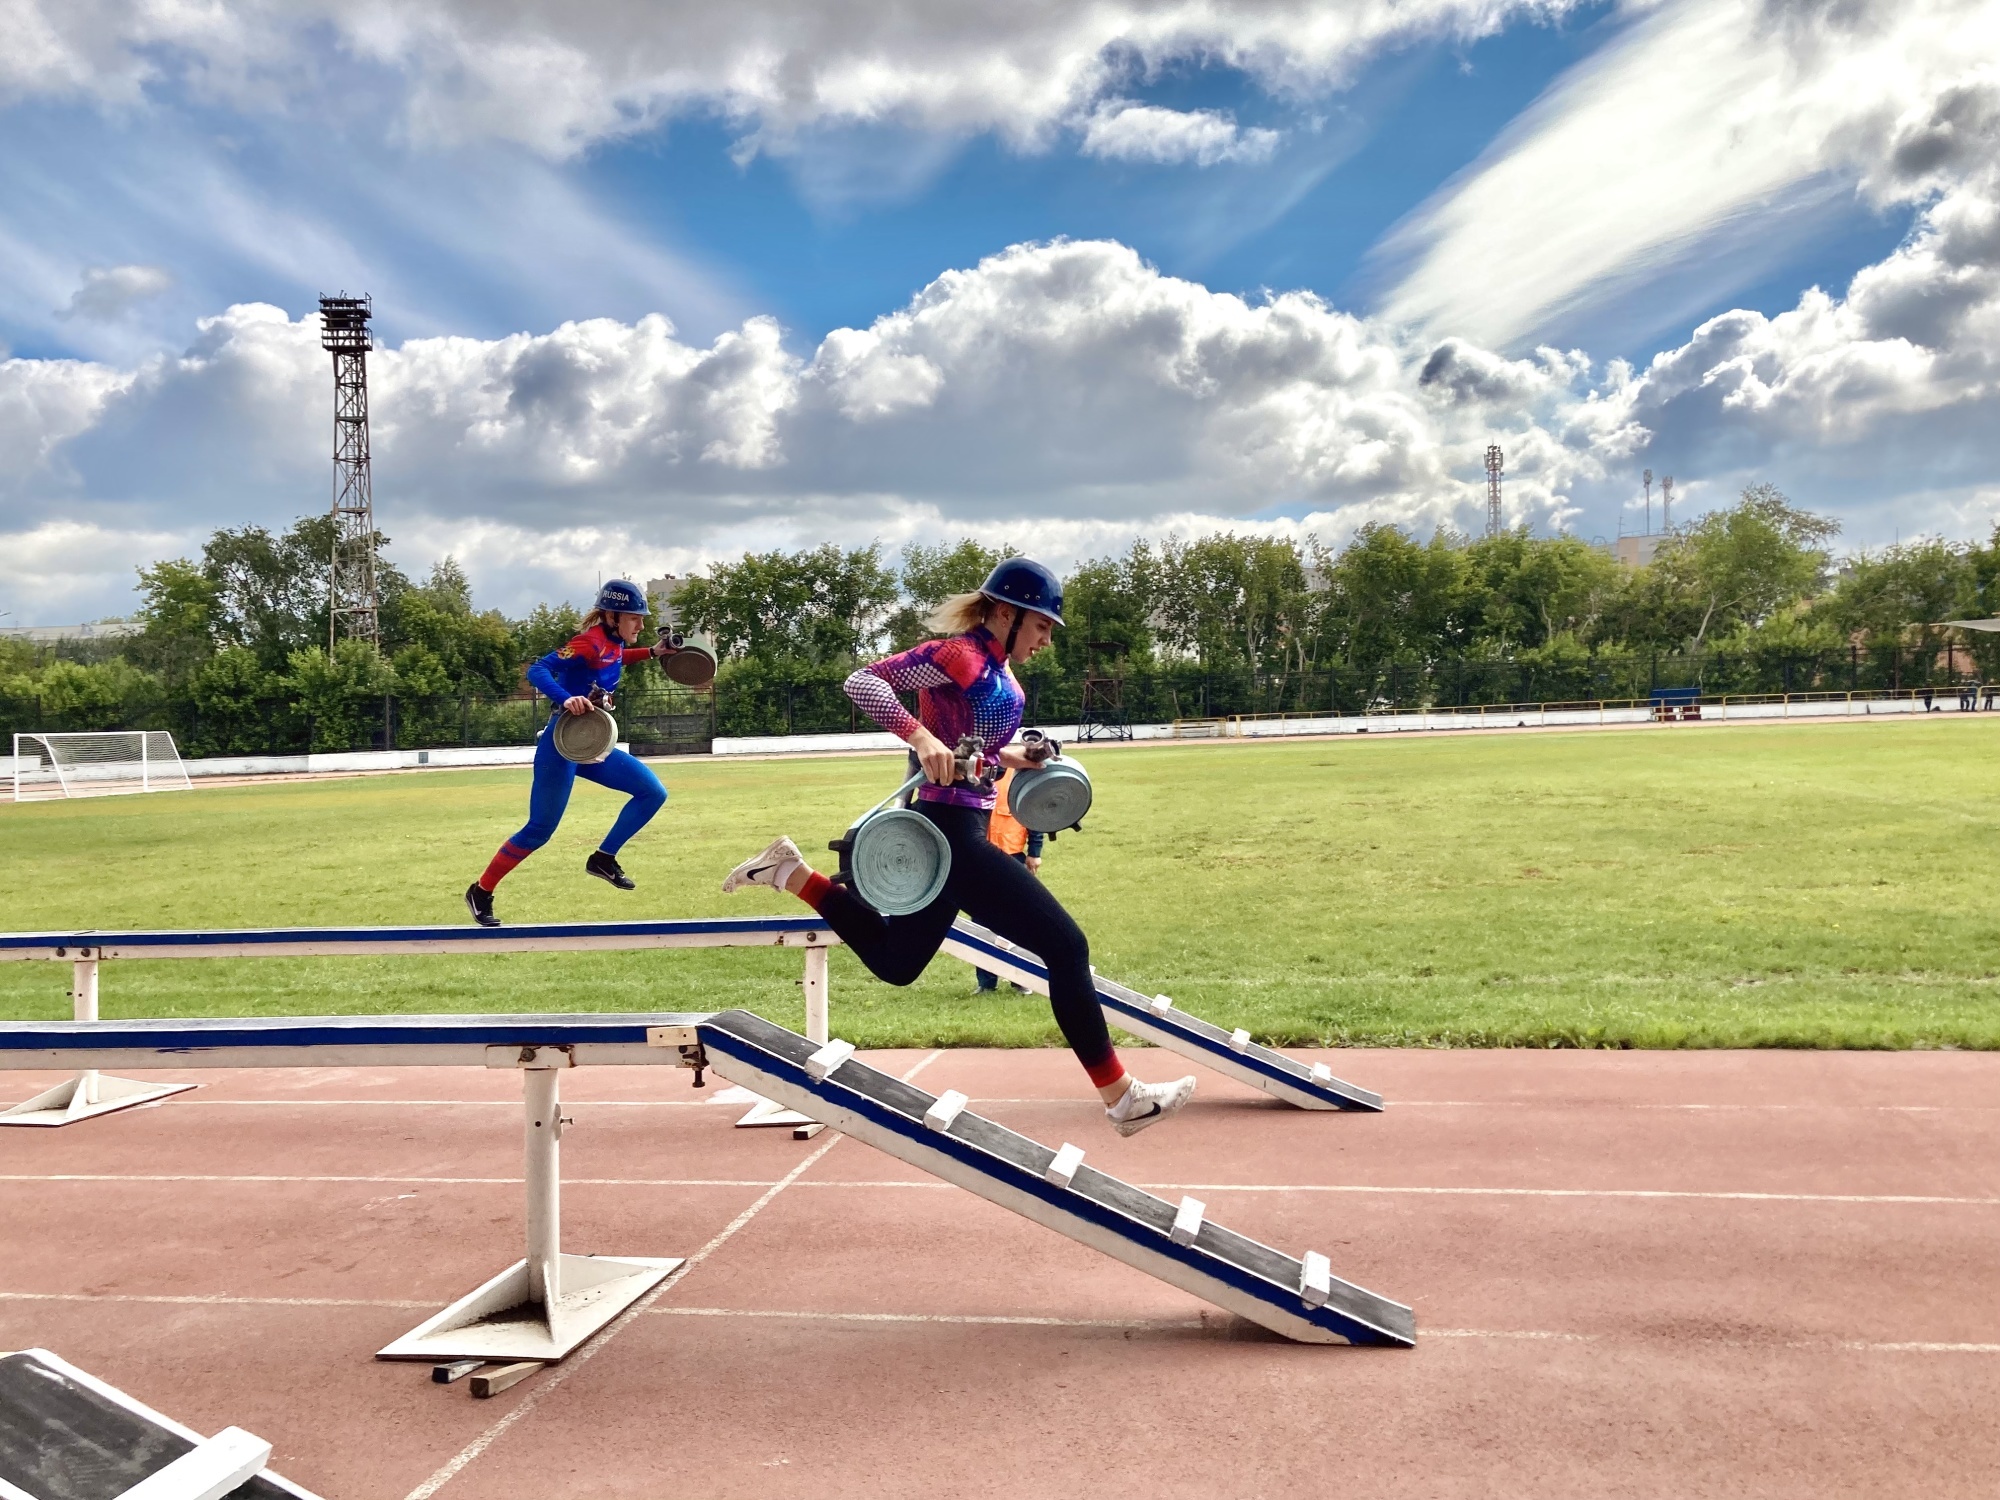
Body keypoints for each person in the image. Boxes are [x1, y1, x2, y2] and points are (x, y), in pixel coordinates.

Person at [721, 559, 1196, 1138]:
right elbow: (863, 682)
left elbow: (982, 755)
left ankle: (792, 874)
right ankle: (1122, 1098)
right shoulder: (958, 657)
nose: (1047, 639)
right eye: (1042, 625)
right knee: (1067, 946)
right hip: (945, 829)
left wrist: (1023, 757)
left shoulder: (1008, 680)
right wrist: (921, 738)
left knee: (898, 964)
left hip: (957, 830)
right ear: (1005, 611)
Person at [464, 580, 675, 927]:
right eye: (635, 618)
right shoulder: (590, 641)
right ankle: (481, 890)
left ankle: (603, 858)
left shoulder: (614, 644)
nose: (641, 625)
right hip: (561, 745)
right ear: (612, 615)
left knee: (653, 792)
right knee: (539, 830)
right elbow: (537, 669)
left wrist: (653, 652)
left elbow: (617, 658)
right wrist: (565, 697)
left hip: (591, 743)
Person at [976, 766, 1044, 994]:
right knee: (982, 921)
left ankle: (1022, 979)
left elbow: (1033, 812)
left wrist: (1035, 852)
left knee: (1019, 920)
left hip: (1012, 856)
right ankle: (986, 983)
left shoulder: (1018, 775)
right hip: (980, 857)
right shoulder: (975, 771)